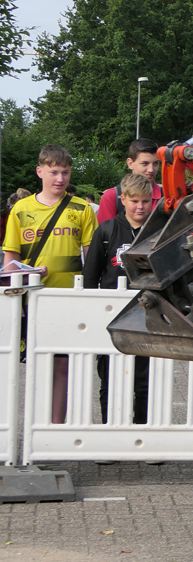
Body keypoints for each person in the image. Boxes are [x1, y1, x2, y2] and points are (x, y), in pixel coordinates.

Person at [2, 145, 98, 424]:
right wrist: (14, 297)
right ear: (40, 171)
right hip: (31, 299)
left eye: (65, 172)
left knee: (62, 364)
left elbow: (90, 259)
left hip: (68, 298)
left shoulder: (81, 208)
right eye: (54, 172)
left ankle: (54, 427)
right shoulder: (20, 209)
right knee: (30, 364)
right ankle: (30, 426)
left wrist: (88, 296)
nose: (59, 178)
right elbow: (10, 259)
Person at [84, 174, 155, 426]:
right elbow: (90, 276)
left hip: (147, 314)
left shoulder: (157, 230)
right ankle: (109, 430)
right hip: (111, 314)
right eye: (134, 200)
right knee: (110, 378)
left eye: (145, 201)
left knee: (144, 380)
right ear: (122, 199)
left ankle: (142, 433)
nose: (140, 207)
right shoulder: (106, 230)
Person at [97, 138, 163, 224]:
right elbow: (105, 234)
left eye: (155, 163)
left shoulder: (167, 197)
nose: (151, 169)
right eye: (144, 164)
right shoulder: (111, 197)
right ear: (130, 163)